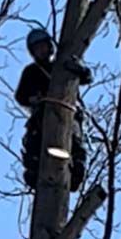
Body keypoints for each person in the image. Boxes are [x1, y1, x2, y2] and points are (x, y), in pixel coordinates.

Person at [15, 28, 90, 192]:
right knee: (34, 143)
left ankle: (75, 173)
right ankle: (35, 171)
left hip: (69, 115)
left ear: (49, 47)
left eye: (43, 46)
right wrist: (32, 99)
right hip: (42, 116)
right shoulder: (31, 72)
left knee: (75, 144)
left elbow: (87, 77)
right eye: (37, 49)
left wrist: (79, 69)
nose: (41, 51)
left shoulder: (61, 66)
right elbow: (20, 95)